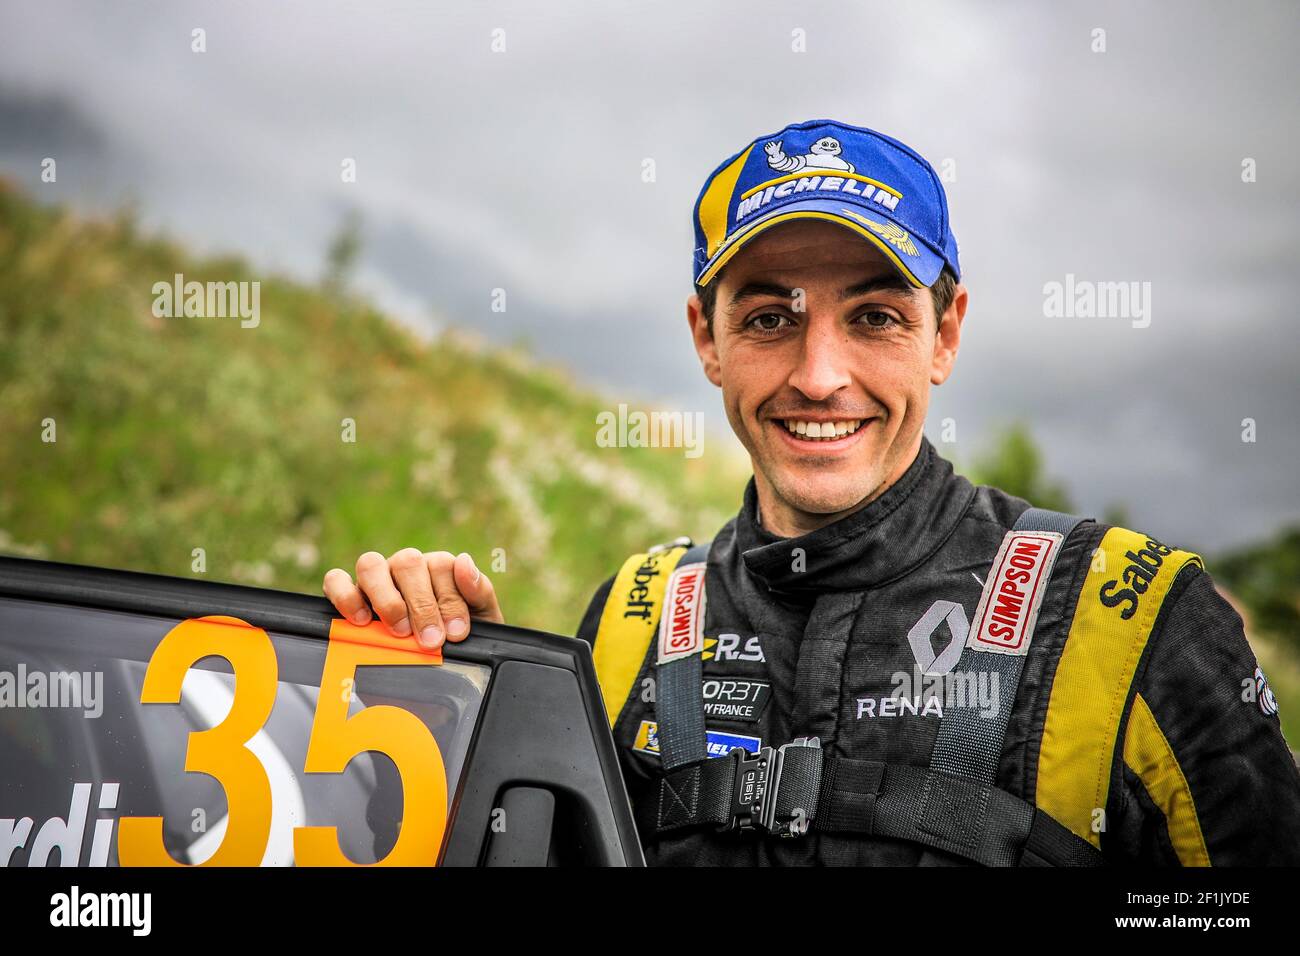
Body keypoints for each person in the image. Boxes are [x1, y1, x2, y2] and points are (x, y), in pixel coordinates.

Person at [323, 119, 1300, 865]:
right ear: (706, 339)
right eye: (767, 316)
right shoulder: (634, 614)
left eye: (873, 314)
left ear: (945, 332)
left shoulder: (1131, 615)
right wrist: (466, 700)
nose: (819, 374)